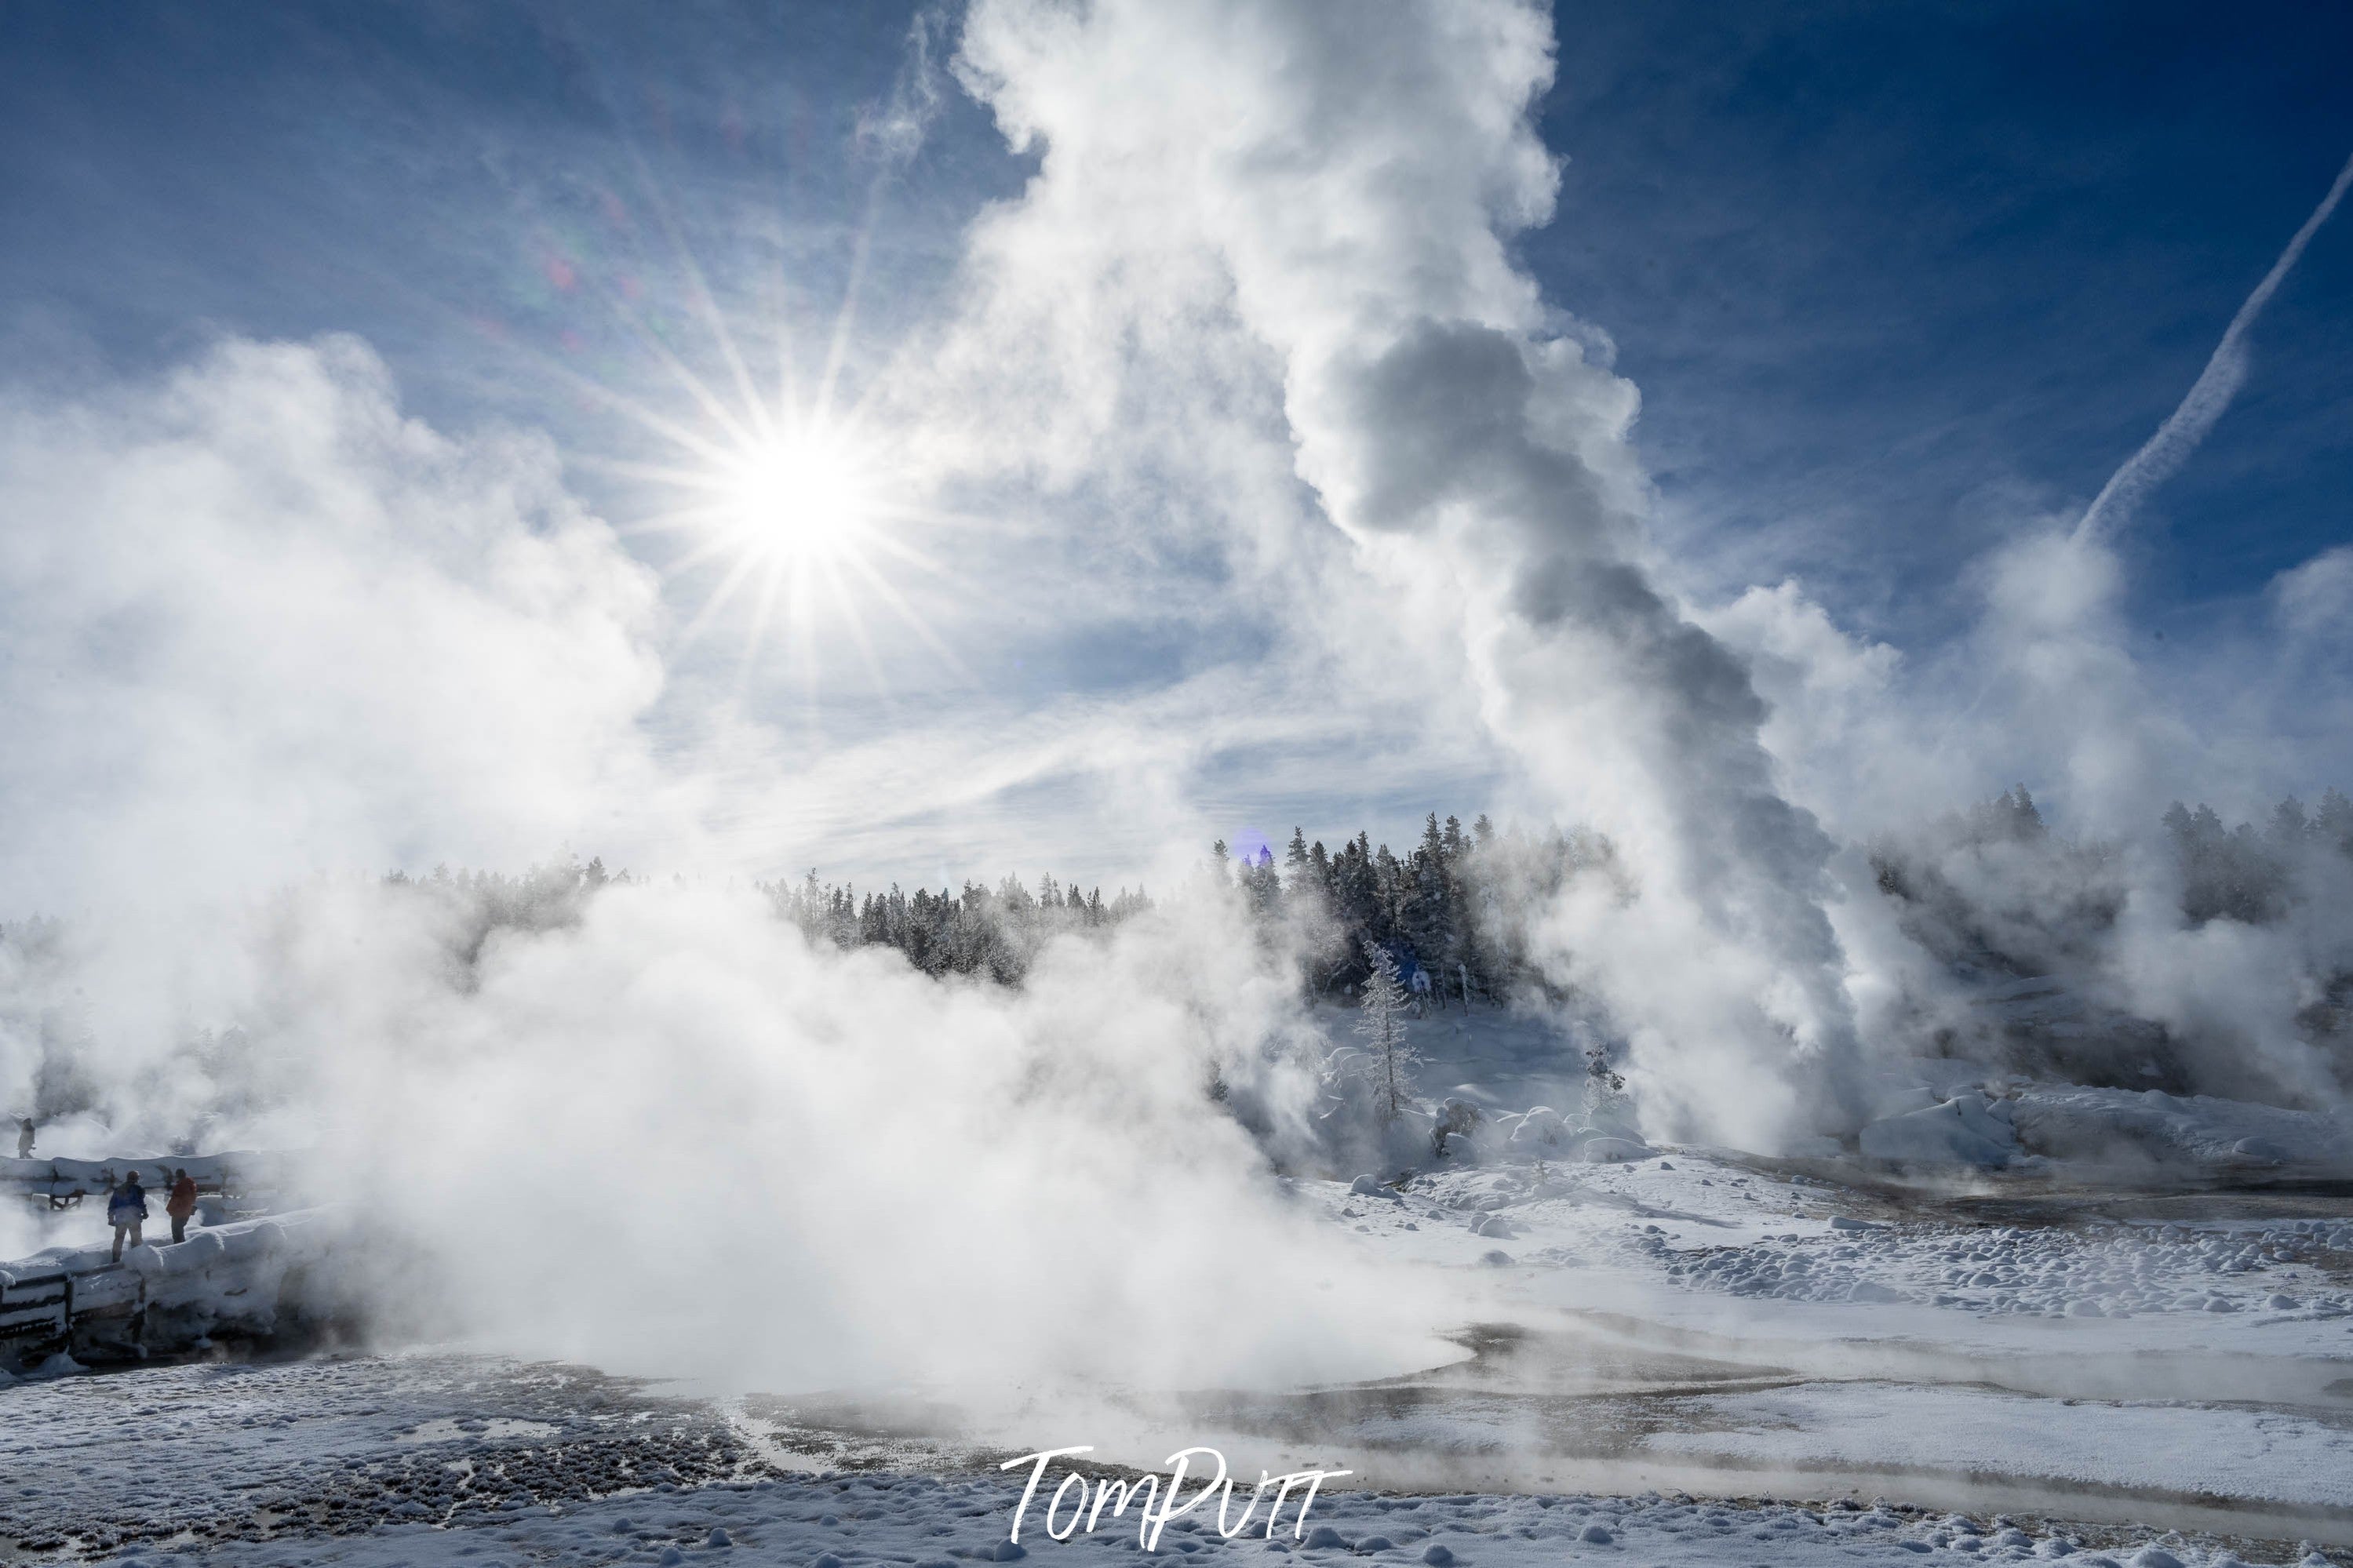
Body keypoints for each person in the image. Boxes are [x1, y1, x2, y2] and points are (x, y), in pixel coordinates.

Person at [107, 1171, 149, 1261]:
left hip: (120, 1218)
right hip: (134, 1219)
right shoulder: (138, 1189)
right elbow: (140, 1203)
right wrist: (145, 1213)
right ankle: (137, 1259)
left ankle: (115, 1259)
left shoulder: (118, 1189)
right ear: (136, 1178)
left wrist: (110, 1218)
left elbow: (112, 1205)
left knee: (119, 1239)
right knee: (136, 1239)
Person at [166, 1167, 199, 1245]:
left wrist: (169, 1209)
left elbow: (175, 1199)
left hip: (178, 1212)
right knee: (180, 1230)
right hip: (186, 1212)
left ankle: (179, 1248)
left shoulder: (180, 1186)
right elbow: (192, 1199)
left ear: (178, 1176)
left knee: (176, 1232)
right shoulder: (191, 1185)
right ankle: (182, 1246)